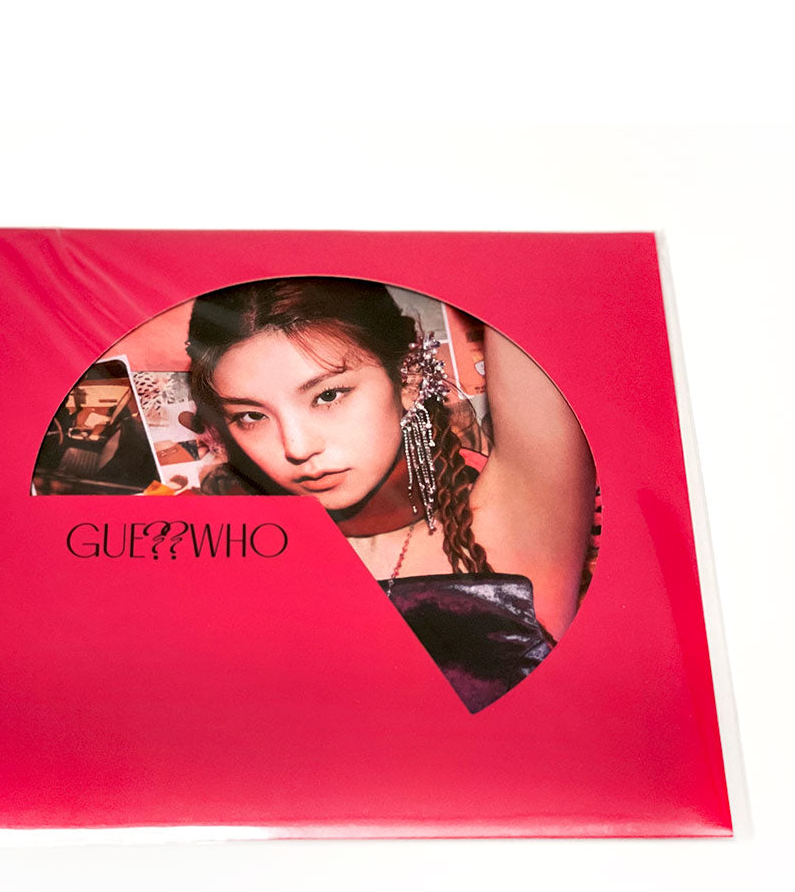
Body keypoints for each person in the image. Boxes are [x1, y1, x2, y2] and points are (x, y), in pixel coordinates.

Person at [185, 278, 598, 711]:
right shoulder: (232, 562)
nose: (297, 446)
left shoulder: (514, 513)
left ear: (408, 379)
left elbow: (530, 282)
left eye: (328, 395)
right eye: (251, 416)